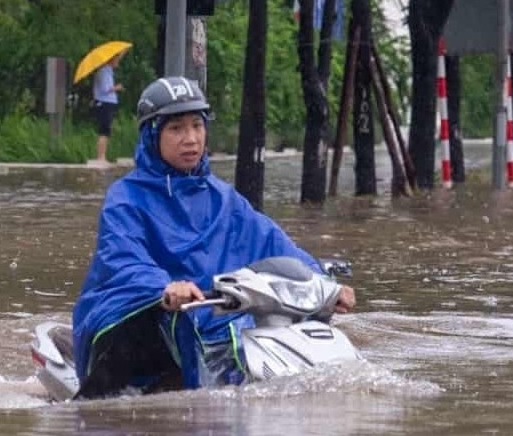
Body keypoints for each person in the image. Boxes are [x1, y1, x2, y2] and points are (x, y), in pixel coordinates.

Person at [71, 77, 356, 399]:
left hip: (215, 311)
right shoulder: (124, 198)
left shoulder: (223, 198)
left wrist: (322, 282)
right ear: (153, 135)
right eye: (176, 129)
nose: (190, 139)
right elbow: (123, 258)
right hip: (146, 314)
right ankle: (97, 410)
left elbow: (272, 241)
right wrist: (163, 288)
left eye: (197, 125)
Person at [91, 52, 124, 164]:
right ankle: (101, 157)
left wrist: (123, 52)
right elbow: (105, 89)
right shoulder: (103, 72)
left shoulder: (108, 70)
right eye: (116, 59)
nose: (118, 62)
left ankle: (102, 156)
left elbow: (118, 58)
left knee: (107, 130)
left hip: (108, 103)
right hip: (104, 103)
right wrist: (117, 87)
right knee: (104, 130)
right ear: (111, 60)